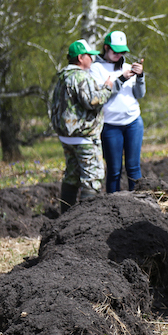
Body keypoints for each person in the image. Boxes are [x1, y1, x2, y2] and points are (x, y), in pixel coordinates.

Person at [51, 39, 113, 211]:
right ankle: (86, 220)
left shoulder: (63, 76)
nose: (92, 59)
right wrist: (107, 88)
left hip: (67, 136)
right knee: (93, 178)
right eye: (89, 56)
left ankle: (65, 217)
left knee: (72, 175)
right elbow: (92, 101)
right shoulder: (80, 76)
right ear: (80, 58)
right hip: (83, 137)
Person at [90, 31, 146, 192]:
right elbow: (101, 97)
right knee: (114, 170)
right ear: (106, 48)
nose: (118, 55)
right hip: (111, 125)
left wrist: (140, 77)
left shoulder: (128, 67)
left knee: (133, 167)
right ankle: (113, 208)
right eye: (115, 51)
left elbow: (139, 94)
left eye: (122, 51)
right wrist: (121, 79)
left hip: (133, 122)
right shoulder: (96, 69)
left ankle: (138, 203)